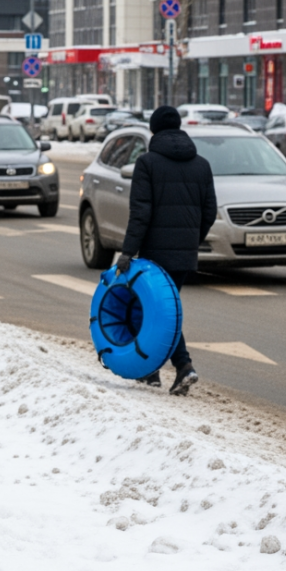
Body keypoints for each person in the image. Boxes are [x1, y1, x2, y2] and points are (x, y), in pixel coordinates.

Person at [117, 105, 217, 396]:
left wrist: (127, 251)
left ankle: (183, 366)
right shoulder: (202, 164)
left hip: (154, 256)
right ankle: (152, 371)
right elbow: (209, 211)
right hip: (184, 254)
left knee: (159, 311)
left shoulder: (147, 163)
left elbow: (140, 213)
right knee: (162, 309)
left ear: (153, 130)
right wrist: (192, 239)